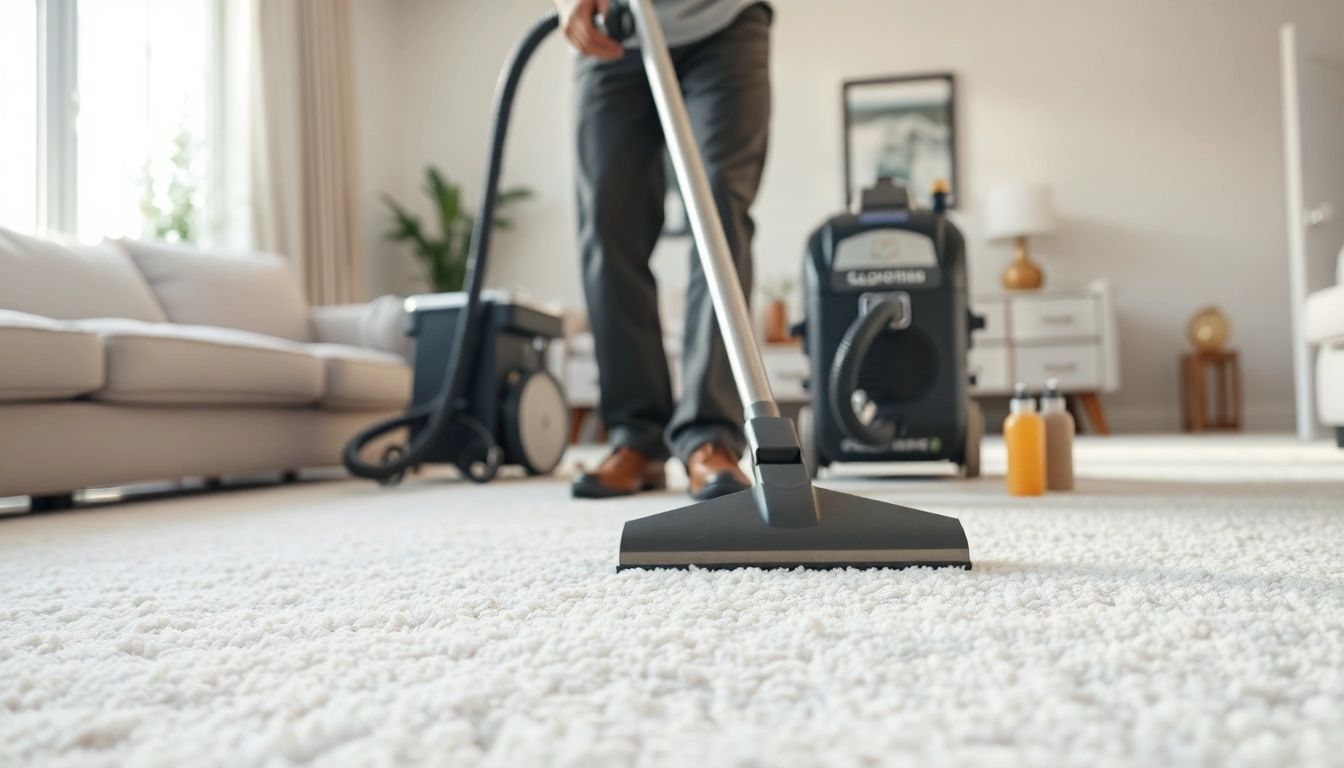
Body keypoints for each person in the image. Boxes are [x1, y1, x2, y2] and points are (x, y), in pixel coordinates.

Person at [554, 0, 773, 501]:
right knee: (608, 223)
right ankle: (636, 438)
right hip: (613, 32)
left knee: (719, 210)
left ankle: (711, 437)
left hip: (724, 24)